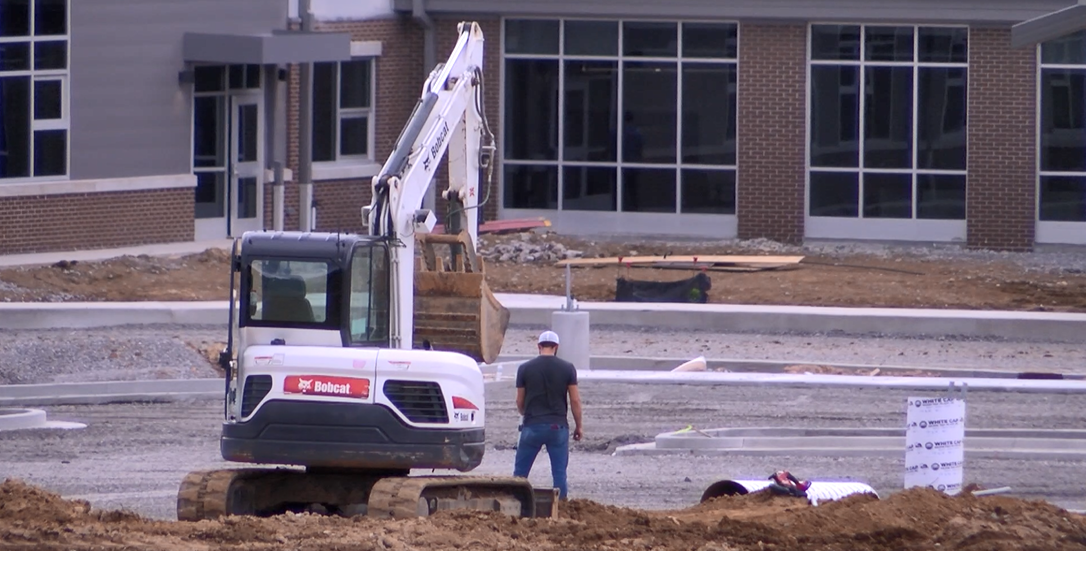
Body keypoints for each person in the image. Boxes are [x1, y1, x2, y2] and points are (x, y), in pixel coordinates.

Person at [513, 330, 583, 500]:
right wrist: (579, 426)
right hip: (557, 426)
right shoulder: (567, 368)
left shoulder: (525, 368)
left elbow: (519, 401)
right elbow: (575, 400)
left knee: (520, 474)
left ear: (539, 346)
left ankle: (515, 504)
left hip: (532, 426)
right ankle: (560, 508)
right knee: (559, 474)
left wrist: (526, 414)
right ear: (556, 347)